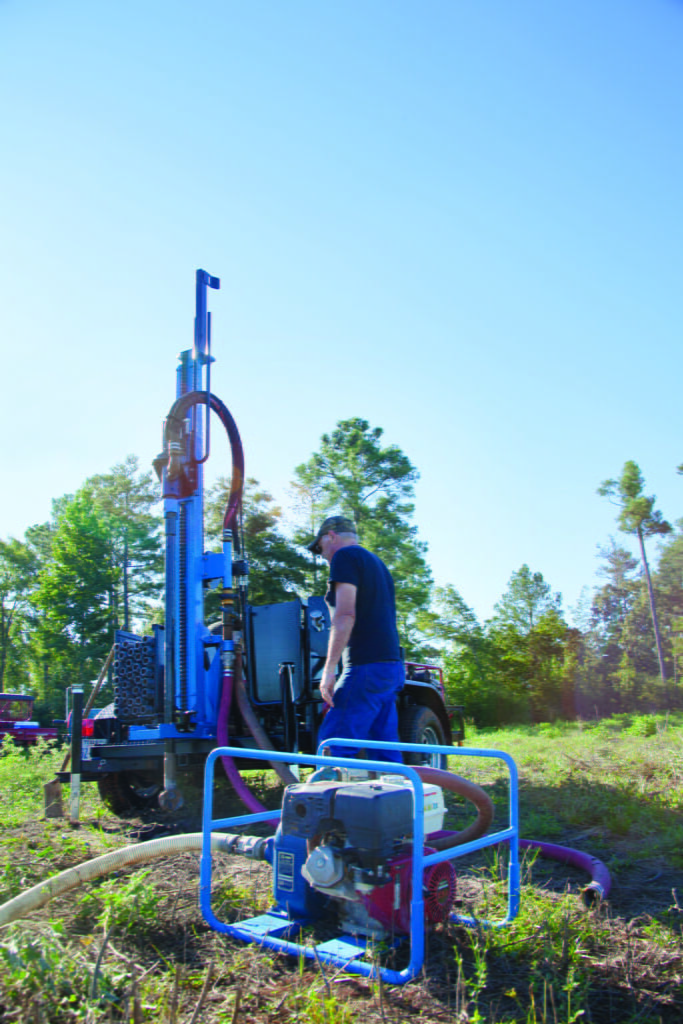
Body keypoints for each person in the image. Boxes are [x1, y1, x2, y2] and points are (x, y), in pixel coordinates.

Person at [307, 515, 405, 764]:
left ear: (331, 536)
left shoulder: (345, 557)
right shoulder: (377, 564)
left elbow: (345, 614)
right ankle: (397, 799)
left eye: (320, 548)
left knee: (334, 746)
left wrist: (329, 671)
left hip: (365, 666)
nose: (323, 555)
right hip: (389, 666)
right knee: (384, 751)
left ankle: (326, 799)